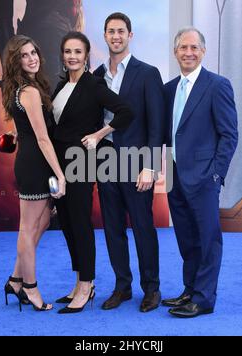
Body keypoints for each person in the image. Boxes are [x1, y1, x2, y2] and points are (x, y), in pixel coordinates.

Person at [51, 31, 133, 314]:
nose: (72, 56)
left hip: (81, 162)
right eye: (68, 51)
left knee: (80, 223)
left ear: (86, 56)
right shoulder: (61, 86)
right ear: (63, 55)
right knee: (67, 223)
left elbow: (125, 112)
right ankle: (78, 281)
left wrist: (99, 134)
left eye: (78, 51)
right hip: (58, 164)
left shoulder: (95, 85)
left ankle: (86, 284)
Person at [163, 28, 238, 318]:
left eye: (194, 47)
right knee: (186, 238)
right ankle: (190, 289)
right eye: (183, 47)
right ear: (175, 52)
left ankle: (204, 299)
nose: (189, 52)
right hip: (175, 178)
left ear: (203, 51)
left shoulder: (217, 85)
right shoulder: (169, 89)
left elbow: (229, 134)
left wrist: (217, 174)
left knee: (208, 239)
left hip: (205, 178)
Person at [94, 13, 165, 313]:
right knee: (112, 227)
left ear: (130, 35)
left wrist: (151, 166)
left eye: (121, 31)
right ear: (105, 35)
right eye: (110, 31)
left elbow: (156, 123)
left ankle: (151, 289)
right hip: (105, 161)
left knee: (143, 226)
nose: (116, 36)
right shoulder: (96, 76)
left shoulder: (147, 73)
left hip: (138, 163)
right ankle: (122, 287)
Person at [2, 35, 66, 312]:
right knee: (28, 228)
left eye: (33, 53)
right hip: (35, 164)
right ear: (17, 62)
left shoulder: (25, 88)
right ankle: (30, 288)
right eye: (25, 56)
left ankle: (16, 280)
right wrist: (60, 175)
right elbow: (42, 138)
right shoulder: (28, 91)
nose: (32, 58)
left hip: (34, 161)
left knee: (40, 225)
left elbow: (26, 128)